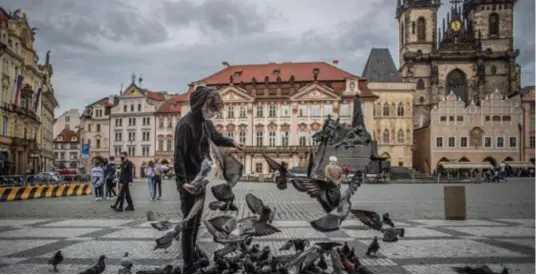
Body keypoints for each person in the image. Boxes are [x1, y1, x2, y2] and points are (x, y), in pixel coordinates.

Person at [174, 86, 244, 273]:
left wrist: (232, 142)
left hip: (201, 178)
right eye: (211, 110)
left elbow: (215, 137)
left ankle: (193, 255)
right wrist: (182, 182)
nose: (213, 114)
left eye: (215, 111)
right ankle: (188, 263)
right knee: (189, 223)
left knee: (196, 222)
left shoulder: (206, 123)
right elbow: (178, 155)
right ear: (201, 105)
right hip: (189, 180)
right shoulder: (185, 124)